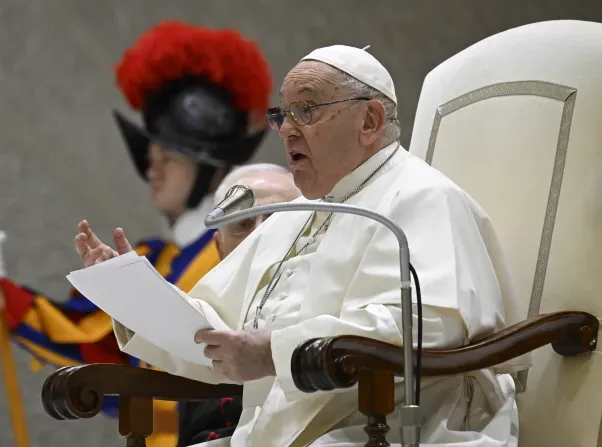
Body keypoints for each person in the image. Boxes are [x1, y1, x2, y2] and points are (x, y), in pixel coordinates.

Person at [75, 45, 520, 446]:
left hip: (390, 428)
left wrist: (273, 351)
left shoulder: (423, 197)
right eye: (282, 114)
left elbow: (427, 325)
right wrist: (131, 295)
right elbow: (216, 331)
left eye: (306, 110)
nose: (286, 130)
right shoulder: (299, 212)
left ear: (369, 121)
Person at [0, 21, 272, 447]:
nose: (153, 167)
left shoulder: (239, 250)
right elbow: (96, 347)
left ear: (211, 168)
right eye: (151, 154)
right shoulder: (159, 258)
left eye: (169, 157)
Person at [177, 163, 301, 446]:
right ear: (219, 248)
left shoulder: (336, 286)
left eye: (274, 219)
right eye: (243, 224)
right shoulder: (203, 309)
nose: (258, 234)